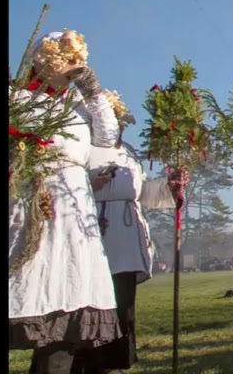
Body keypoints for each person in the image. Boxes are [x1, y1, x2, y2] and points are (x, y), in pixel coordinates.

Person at [9, 34, 122, 374]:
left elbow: (107, 136)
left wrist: (92, 89)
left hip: (75, 211)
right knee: (31, 285)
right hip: (36, 203)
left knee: (68, 303)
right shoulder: (18, 98)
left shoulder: (75, 109)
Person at [77, 100, 155, 373]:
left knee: (123, 302)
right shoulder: (84, 149)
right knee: (95, 300)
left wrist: (172, 188)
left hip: (128, 236)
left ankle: (116, 359)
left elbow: (142, 192)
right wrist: (91, 182)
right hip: (97, 229)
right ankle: (88, 360)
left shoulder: (130, 153)